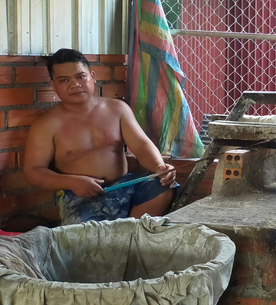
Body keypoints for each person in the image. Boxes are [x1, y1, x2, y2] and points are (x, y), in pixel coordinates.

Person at [24, 48, 177, 225]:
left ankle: (125, 239)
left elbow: (141, 145)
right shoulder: (45, 124)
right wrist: (73, 182)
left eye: (81, 76)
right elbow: (33, 171)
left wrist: (159, 166)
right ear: (53, 85)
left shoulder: (117, 109)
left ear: (93, 76)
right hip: (79, 197)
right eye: (64, 80)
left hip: (124, 186)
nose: (75, 84)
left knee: (162, 187)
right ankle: (121, 240)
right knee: (83, 236)